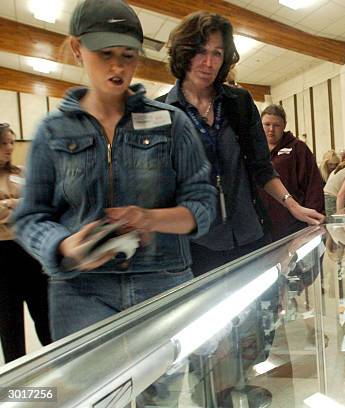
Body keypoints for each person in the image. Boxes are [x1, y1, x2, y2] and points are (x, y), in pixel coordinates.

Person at [13, 0, 217, 341]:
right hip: (81, 292)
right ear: (78, 49)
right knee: (97, 393)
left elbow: (203, 205)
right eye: (105, 53)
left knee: (162, 391)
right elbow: (29, 217)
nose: (117, 66)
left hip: (162, 280)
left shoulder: (171, 123)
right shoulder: (52, 132)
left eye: (128, 55)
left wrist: (150, 218)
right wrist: (63, 246)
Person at [158, 11, 324, 276]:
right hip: (197, 245)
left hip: (250, 235)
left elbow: (262, 167)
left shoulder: (239, 102)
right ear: (183, 52)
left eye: (217, 53)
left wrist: (294, 206)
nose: (209, 62)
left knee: (262, 312)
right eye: (201, 51)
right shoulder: (162, 113)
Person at [0, 123, 52, 363]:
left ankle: (59, 365)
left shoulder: (21, 172)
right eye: (3, 143)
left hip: (28, 249)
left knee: (44, 313)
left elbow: (37, 204)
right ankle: (16, 386)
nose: (9, 147)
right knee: (9, 322)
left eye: (11, 142)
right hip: (2, 254)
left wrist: (10, 207)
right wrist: (16, 205)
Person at [259, 104, 324, 241]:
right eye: (267, 124)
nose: (271, 130)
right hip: (263, 226)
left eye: (276, 125)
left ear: (284, 125)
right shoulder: (255, 151)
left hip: (292, 224)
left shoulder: (298, 148)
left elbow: (313, 185)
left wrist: (314, 220)